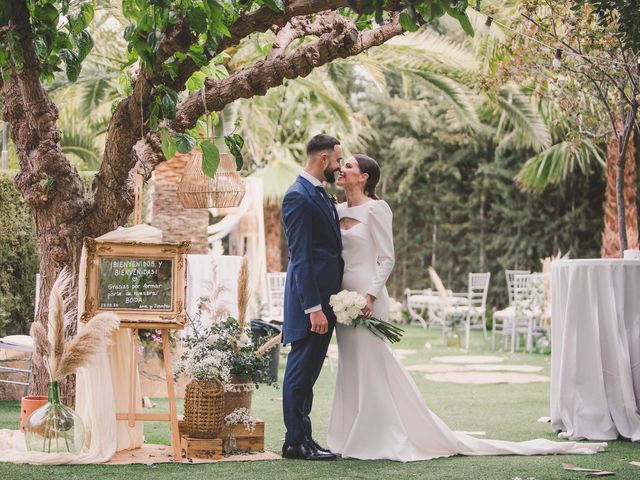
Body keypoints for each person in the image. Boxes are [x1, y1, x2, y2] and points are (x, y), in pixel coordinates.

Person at [326, 153, 607, 461]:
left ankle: (381, 435)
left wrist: (369, 295)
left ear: (364, 176)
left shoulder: (377, 209)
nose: (342, 169)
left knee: (373, 365)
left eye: (349, 165)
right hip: (343, 300)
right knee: (350, 366)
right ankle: (349, 434)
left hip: (368, 297)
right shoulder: (336, 210)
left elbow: (387, 258)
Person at [281, 134, 344, 461]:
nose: (339, 166)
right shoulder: (298, 196)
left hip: (324, 301)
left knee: (309, 375)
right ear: (323, 159)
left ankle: (304, 437)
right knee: (299, 373)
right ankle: (294, 443)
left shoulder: (317, 194)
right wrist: (314, 309)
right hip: (312, 304)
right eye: (337, 160)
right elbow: (302, 257)